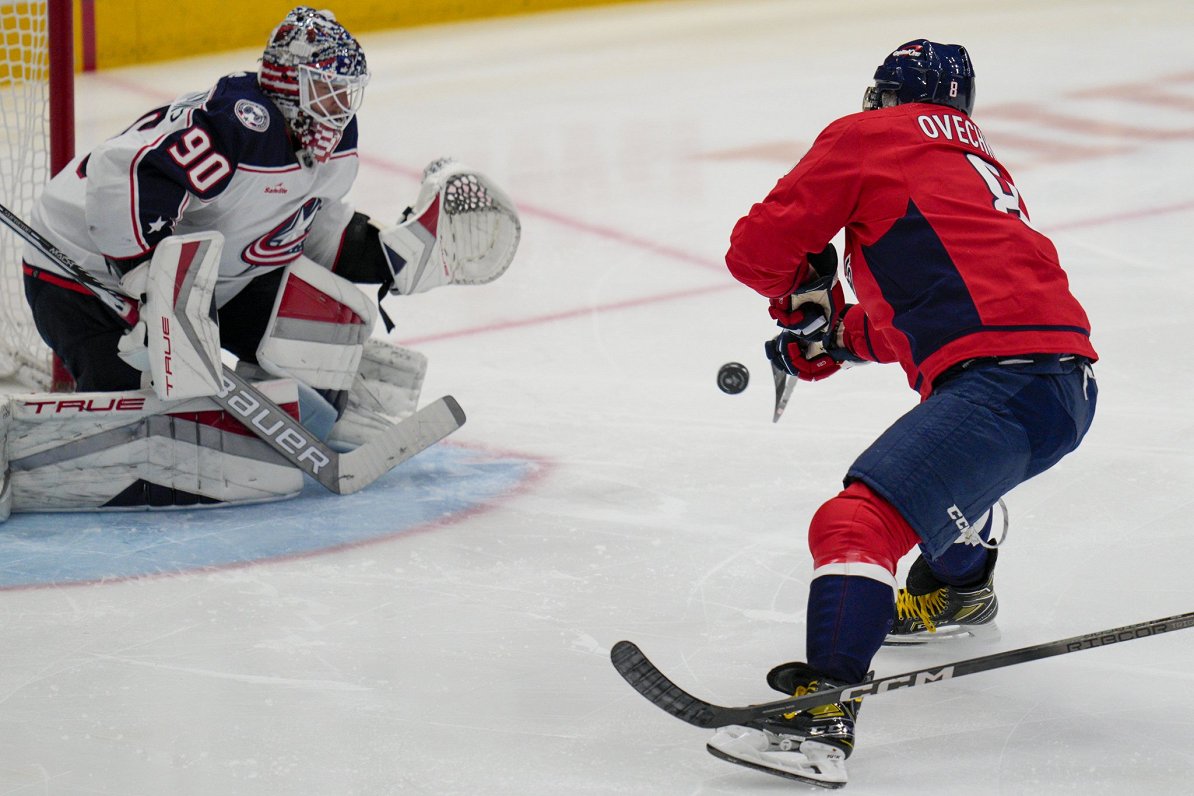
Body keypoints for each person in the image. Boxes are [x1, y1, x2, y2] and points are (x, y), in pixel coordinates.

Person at [706, 40, 1098, 787]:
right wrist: (834, 338)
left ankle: (820, 719)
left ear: (881, 95)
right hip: (1060, 388)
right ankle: (958, 587)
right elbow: (936, 310)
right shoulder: (975, 168)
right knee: (941, 477)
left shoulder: (869, 137)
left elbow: (756, 249)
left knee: (854, 525)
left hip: (1004, 386)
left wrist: (798, 294)